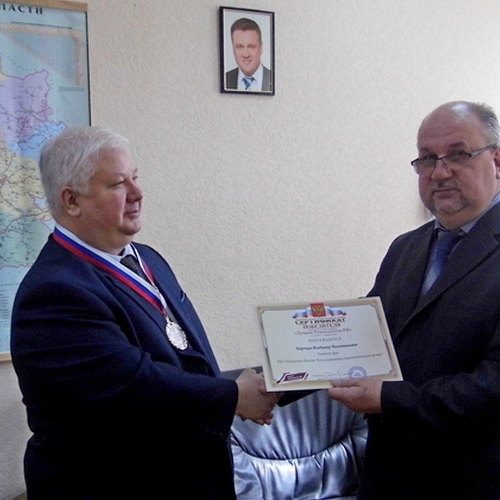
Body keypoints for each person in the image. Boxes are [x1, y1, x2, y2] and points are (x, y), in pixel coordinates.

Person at [10, 126, 278, 499]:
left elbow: (187, 360)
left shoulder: (148, 259)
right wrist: (233, 395)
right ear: (71, 200)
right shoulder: (54, 293)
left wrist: (299, 372)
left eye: (135, 178)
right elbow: (134, 387)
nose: (137, 194)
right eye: (118, 184)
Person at [329, 101, 500, 499]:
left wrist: (388, 398)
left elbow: (494, 386)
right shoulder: (405, 248)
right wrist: (281, 377)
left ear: (496, 160)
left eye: (458, 154)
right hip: (388, 478)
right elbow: (367, 338)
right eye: (426, 159)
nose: (439, 172)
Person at [225, 17, 272, 92]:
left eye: (251, 47)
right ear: (233, 49)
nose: (246, 54)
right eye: (239, 47)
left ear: (261, 48)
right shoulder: (224, 79)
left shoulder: (275, 78)